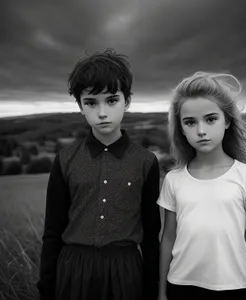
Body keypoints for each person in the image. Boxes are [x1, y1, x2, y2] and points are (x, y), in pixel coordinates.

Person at [37, 49, 161, 300]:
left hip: (126, 271)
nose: (102, 112)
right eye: (91, 102)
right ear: (80, 106)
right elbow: (52, 231)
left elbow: (150, 233)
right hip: (73, 271)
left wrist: (152, 287)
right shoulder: (65, 159)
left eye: (112, 100)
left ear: (127, 101)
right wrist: (47, 288)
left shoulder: (146, 162)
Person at [157, 72, 246, 300]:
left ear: (227, 120)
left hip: (231, 287)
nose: (201, 130)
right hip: (180, 285)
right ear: (181, 128)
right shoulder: (174, 179)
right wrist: (161, 292)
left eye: (210, 119)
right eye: (190, 122)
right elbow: (168, 237)